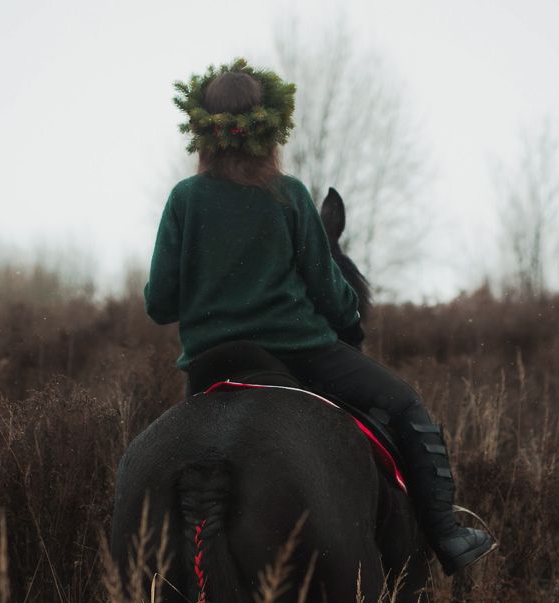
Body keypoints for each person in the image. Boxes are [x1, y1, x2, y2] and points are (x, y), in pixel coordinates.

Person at [144, 59, 495, 575]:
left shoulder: (183, 199)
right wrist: (349, 316)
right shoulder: (289, 195)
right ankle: (447, 535)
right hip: (299, 357)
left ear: (203, 129)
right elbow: (330, 293)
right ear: (270, 127)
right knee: (403, 403)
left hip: (208, 369)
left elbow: (159, 304)